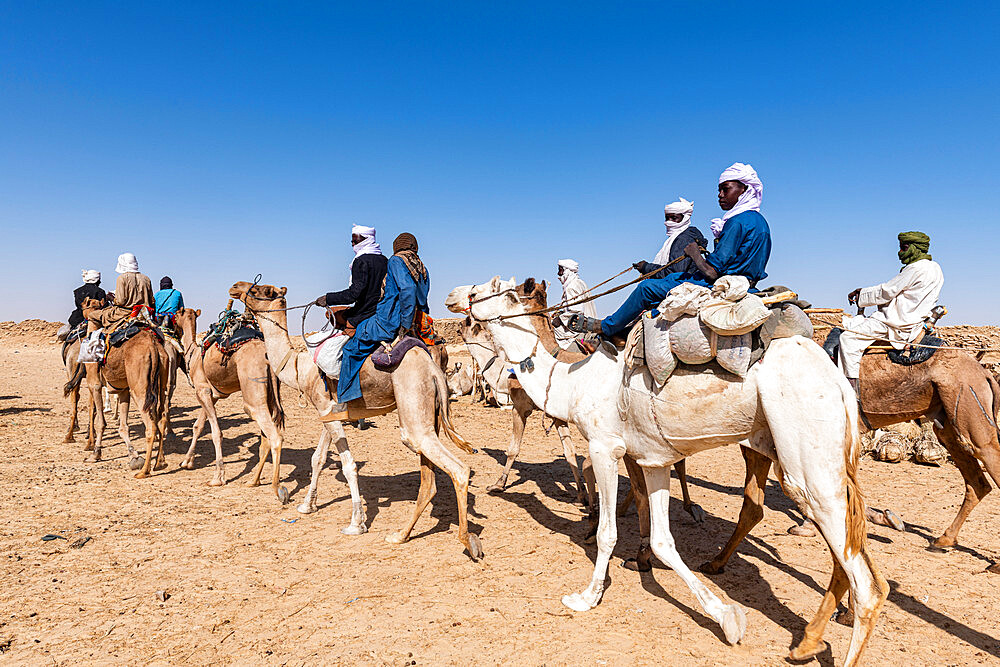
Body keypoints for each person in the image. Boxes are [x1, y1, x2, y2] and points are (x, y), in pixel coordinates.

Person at [570, 163, 771, 338]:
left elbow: (711, 272)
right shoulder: (760, 222)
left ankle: (607, 327)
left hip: (721, 284)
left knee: (646, 288)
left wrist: (694, 254)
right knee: (670, 280)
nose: (719, 195)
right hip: (746, 282)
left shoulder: (736, 222)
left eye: (725, 189)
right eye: (719, 190)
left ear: (744, 190)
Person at [838, 231, 944, 390]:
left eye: (904, 248)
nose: (900, 252)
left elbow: (887, 291)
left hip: (896, 322)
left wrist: (860, 295)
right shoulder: (935, 268)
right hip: (917, 320)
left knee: (848, 339)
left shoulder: (915, 268)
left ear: (915, 248)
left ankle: (850, 389)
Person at [334, 232, 430, 408]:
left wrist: (404, 325)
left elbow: (407, 290)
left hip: (388, 321)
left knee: (351, 348)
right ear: (415, 247)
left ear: (396, 247)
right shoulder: (422, 268)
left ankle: (346, 399)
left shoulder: (395, 261)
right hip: (418, 322)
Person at [313, 224, 388, 329]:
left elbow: (354, 294)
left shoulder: (361, 261)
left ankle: (348, 333)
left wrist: (328, 298)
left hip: (365, 311)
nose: (353, 244)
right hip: (380, 309)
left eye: (355, 241)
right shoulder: (384, 260)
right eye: (352, 242)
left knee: (331, 315)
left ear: (367, 240)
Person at [632, 197, 708, 279]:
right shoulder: (677, 238)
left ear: (685, 218)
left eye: (674, 218)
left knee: (644, 288)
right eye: (667, 218)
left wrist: (646, 267)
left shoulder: (684, 239)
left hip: (681, 283)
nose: (669, 222)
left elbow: (675, 273)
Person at [88, 252, 154, 331]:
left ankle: (92, 341)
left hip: (124, 312)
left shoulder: (122, 278)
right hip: (143, 313)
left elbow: (121, 301)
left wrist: (112, 298)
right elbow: (151, 301)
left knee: (92, 315)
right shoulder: (146, 279)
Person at [552, 259, 597, 349]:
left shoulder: (571, 287)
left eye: (560, 270)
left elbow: (576, 311)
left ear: (567, 271)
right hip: (589, 324)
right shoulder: (580, 283)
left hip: (579, 329)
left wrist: (559, 319)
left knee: (551, 334)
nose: (558, 274)